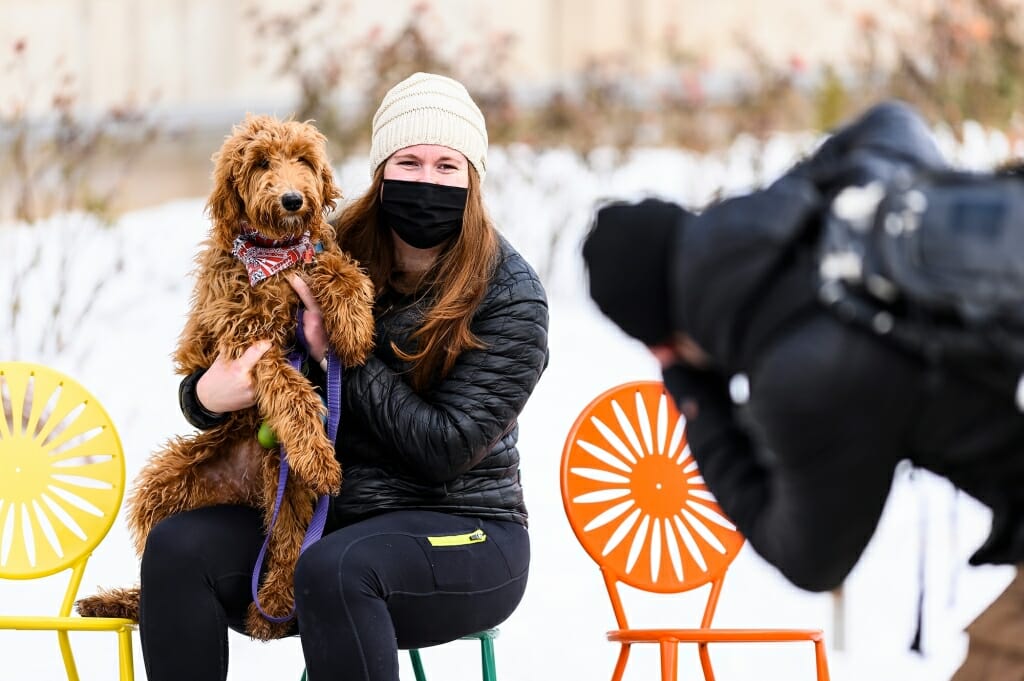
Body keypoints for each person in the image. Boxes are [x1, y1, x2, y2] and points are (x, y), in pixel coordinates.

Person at [582, 101, 1024, 680]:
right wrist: (797, 188)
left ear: (664, 340)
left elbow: (810, 560)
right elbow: (893, 119)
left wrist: (696, 396)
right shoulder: (851, 181)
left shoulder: (799, 382)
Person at [139, 72, 549, 681]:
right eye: (408, 161)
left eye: (447, 167)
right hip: (331, 516)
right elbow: (231, 354)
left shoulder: (510, 296)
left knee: (336, 570)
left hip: (466, 531)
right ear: (382, 171)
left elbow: (444, 450)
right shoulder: (323, 246)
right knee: (178, 548)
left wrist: (340, 358)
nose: (426, 181)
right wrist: (203, 396)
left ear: (473, 180)